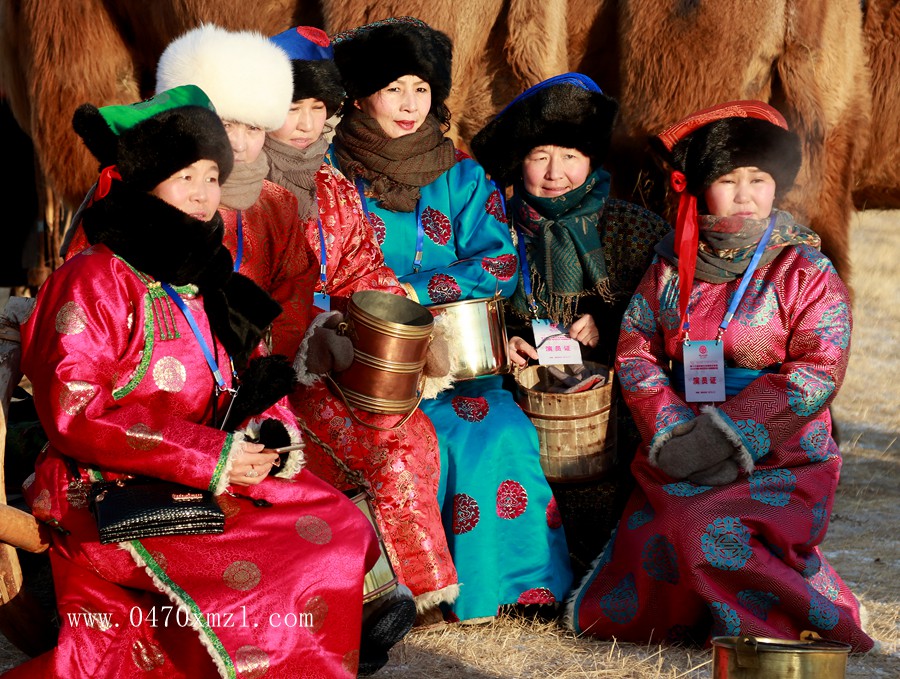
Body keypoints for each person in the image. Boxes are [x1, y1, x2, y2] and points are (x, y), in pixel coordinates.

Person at [4, 85, 381, 678]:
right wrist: (213, 456)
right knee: (278, 561)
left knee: (340, 523)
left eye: (211, 176)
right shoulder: (93, 278)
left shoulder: (206, 272)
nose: (205, 194)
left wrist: (268, 441)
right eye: (186, 178)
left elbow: (253, 375)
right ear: (145, 183)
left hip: (213, 462)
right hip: (106, 482)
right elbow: (76, 413)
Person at [153, 24, 420, 673]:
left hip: (250, 393)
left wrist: (284, 359)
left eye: (254, 126)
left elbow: (293, 292)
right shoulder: (140, 202)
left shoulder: (273, 203)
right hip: (160, 413)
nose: (242, 142)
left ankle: (348, 613)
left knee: (316, 498)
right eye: (227, 124)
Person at [568, 100, 875, 652]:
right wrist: (672, 432)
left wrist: (728, 435)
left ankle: (796, 622)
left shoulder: (805, 269)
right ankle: (698, 618)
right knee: (666, 523)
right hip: (681, 439)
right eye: (728, 180)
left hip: (783, 453)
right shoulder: (671, 265)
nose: (744, 194)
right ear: (699, 188)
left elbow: (817, 371)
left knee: (706, 529)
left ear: (777, 186)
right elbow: (637, 351)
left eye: (759, 179)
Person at [330, 16, 572, 623]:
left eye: (421, 89)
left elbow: (498, 261)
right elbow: (321, 268)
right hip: (368, 370)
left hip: (461, 368)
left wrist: (406, 290)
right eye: (393, 89)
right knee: (413, 442)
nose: (410, 105)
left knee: (500, 432)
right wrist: (376, 302)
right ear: (359, 97)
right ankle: (408, 596)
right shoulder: (331, 176)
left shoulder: (461, 174)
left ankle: (513, 589)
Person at [265, 25, 459, 619]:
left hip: (343, 362)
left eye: (318, 107)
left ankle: (419, 591)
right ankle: (399, 598)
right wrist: (306, 340)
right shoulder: (241, 188)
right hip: (269, 378)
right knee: (384, 442)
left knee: (411, 430)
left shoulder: (332, 185)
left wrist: (414, 330)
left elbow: (362, 270)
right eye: (291, 106)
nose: (305, 123)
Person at [470, 74, 671, 570]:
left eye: (570, 155)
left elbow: (666, 316)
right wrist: (503, 342)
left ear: (592, 160)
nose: (555, 172)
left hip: (615, 399)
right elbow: (475, 305)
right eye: (540, 156)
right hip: (522, 392)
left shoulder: (635, 228)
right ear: (519, 161)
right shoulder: (491, 229)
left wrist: (608, 323)